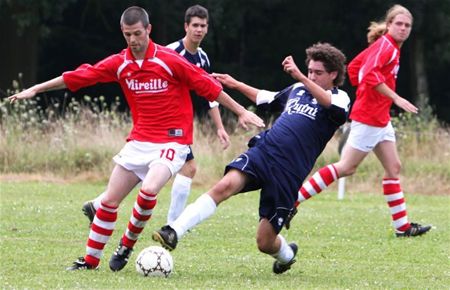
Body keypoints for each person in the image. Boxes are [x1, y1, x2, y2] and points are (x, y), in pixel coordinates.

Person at [8, 6, 264, 271]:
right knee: (108, 201)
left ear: (148, 30)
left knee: (149, 190)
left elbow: (210, 88)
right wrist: (36, 89)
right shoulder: (121, 63)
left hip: (172, 141)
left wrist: (242, 111)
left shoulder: (170, 59)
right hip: (139, 141)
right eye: (128, 34)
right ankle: (89, 261)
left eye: (138, 33)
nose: (133, 40)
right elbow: (80, 76)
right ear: (123, 32)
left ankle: (126, 245)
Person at [152, 42, 350, 274]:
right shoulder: (297, 88)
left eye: (318, 73)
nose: (311, 76)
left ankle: (286, 255)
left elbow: (328, 103)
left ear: (333, 74)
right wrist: (235, 84)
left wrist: (299, 75)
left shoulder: (340, 98)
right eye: (309, 71)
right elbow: (265, 97)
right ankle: (173, 231)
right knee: (224, 186)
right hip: (265, 151)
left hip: (289, 172)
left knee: (264, 242)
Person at [82, 4, 230, 227]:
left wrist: (219, 127)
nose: (198, 30)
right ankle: (172, 224)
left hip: (176, 123)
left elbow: (208, 91)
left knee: (183, 169)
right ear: (186, 27)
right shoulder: (170, 52)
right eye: (195, 26)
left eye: (203, 26)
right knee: (180, 169)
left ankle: (100, 203)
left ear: (207, 29)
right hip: (164, 129)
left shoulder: (202, 57)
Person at [294, 5, 431, 237]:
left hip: (380, 117)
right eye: (398, 24)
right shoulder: (386, 46)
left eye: (407, 25)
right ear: (389, 25)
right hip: (369, 117)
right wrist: (392, 97)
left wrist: (370, 91)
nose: (403, 28)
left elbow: (357, 68)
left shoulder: (388, 47)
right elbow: (367, 74)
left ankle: (402, 227)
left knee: (393, 168)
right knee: (346, 167)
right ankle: (291, 202)